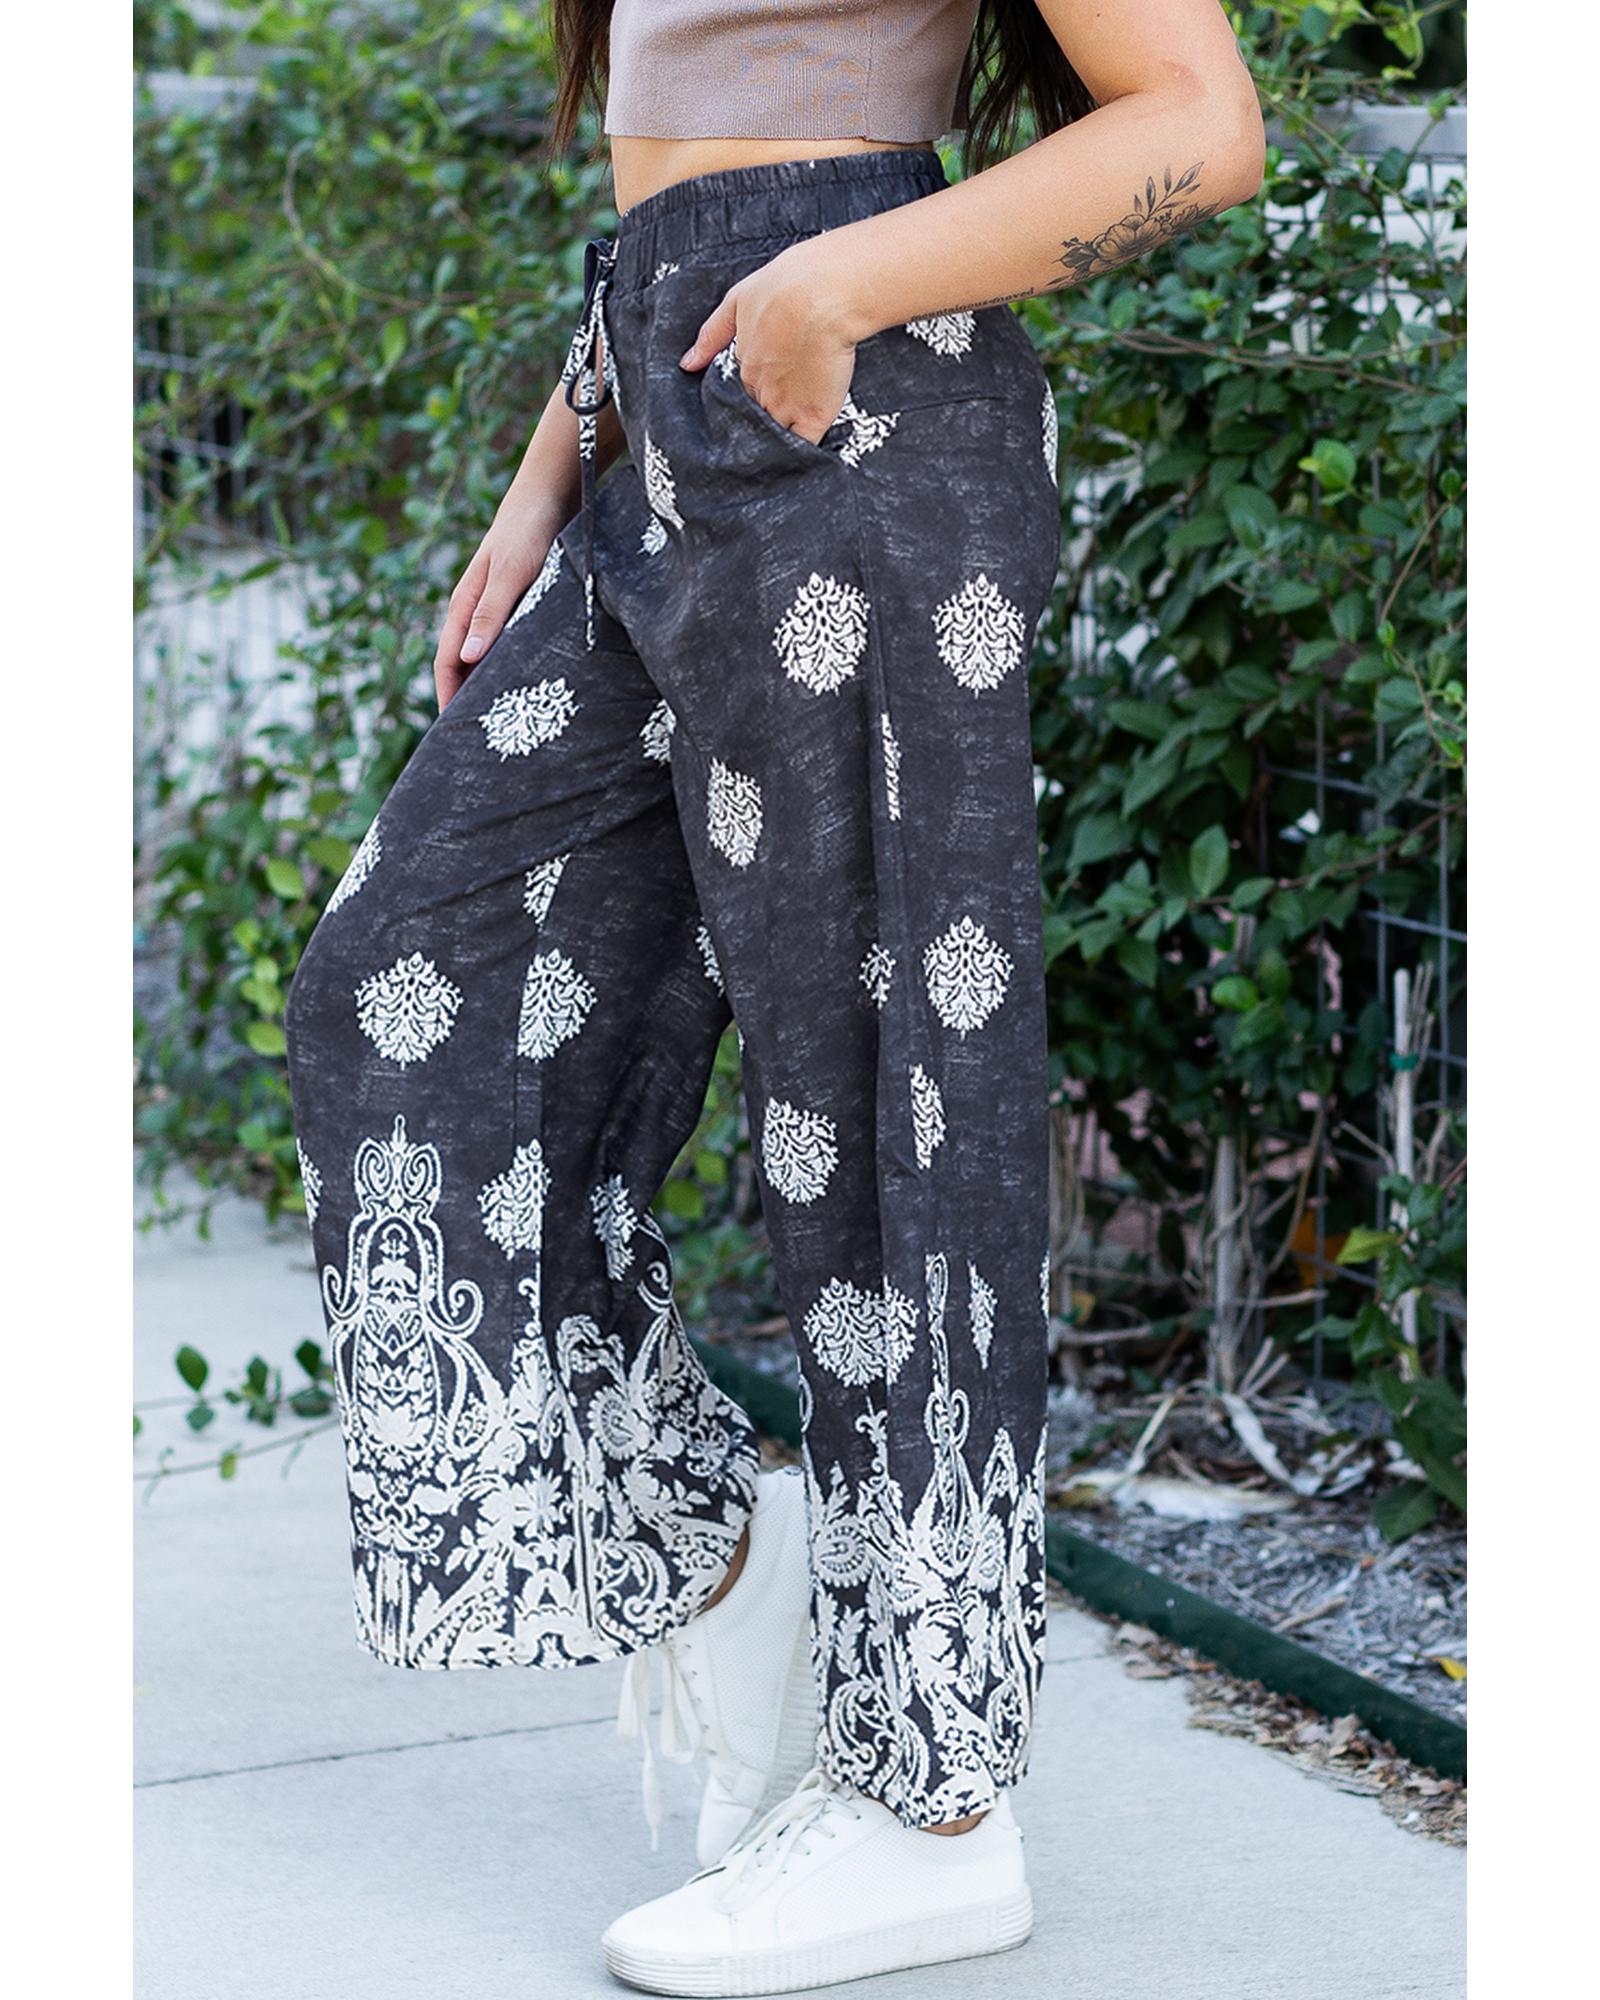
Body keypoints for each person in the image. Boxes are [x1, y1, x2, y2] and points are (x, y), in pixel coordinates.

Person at [282, 3, 1264, 1991]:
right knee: (404, 980)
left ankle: (933, 1809)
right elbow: (686, 172)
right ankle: (715, 1578)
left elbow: (1199, 121)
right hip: (667, 424)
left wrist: (839, 281)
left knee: (882, 1106)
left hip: (861, 434)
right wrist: (551, 474)